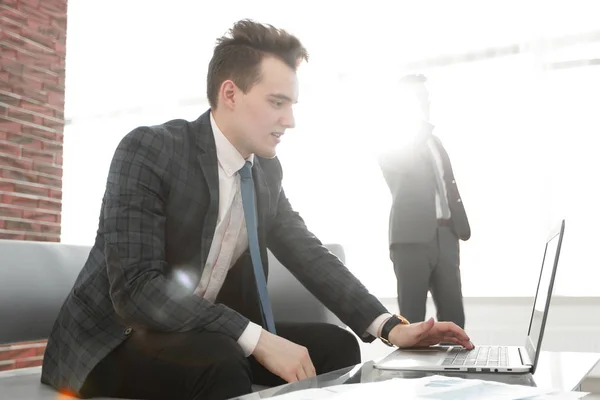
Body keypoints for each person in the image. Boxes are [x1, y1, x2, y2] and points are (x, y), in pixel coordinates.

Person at [41, 21, 473, 400]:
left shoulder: (265, 171)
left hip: (199, 332)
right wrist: (256, 338)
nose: (290, 121)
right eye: (277, 102)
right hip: (114, 338)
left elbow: (309, 254)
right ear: (230, 93)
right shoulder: (149, 150)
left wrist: (392, 327)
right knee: (221, 360)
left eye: (292, 105)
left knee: (336, 349)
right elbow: (136, 289)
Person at [378, 74, 471, 329]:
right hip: (410, 239)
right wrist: (416, 123)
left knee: (455, 320)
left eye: (426, 96)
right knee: (412, 323)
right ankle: (412, 371)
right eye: (419, 96)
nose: (425, 101)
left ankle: (455, 369)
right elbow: (404, 164)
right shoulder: (390, 139)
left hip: (446, 235)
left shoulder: (434, 141)